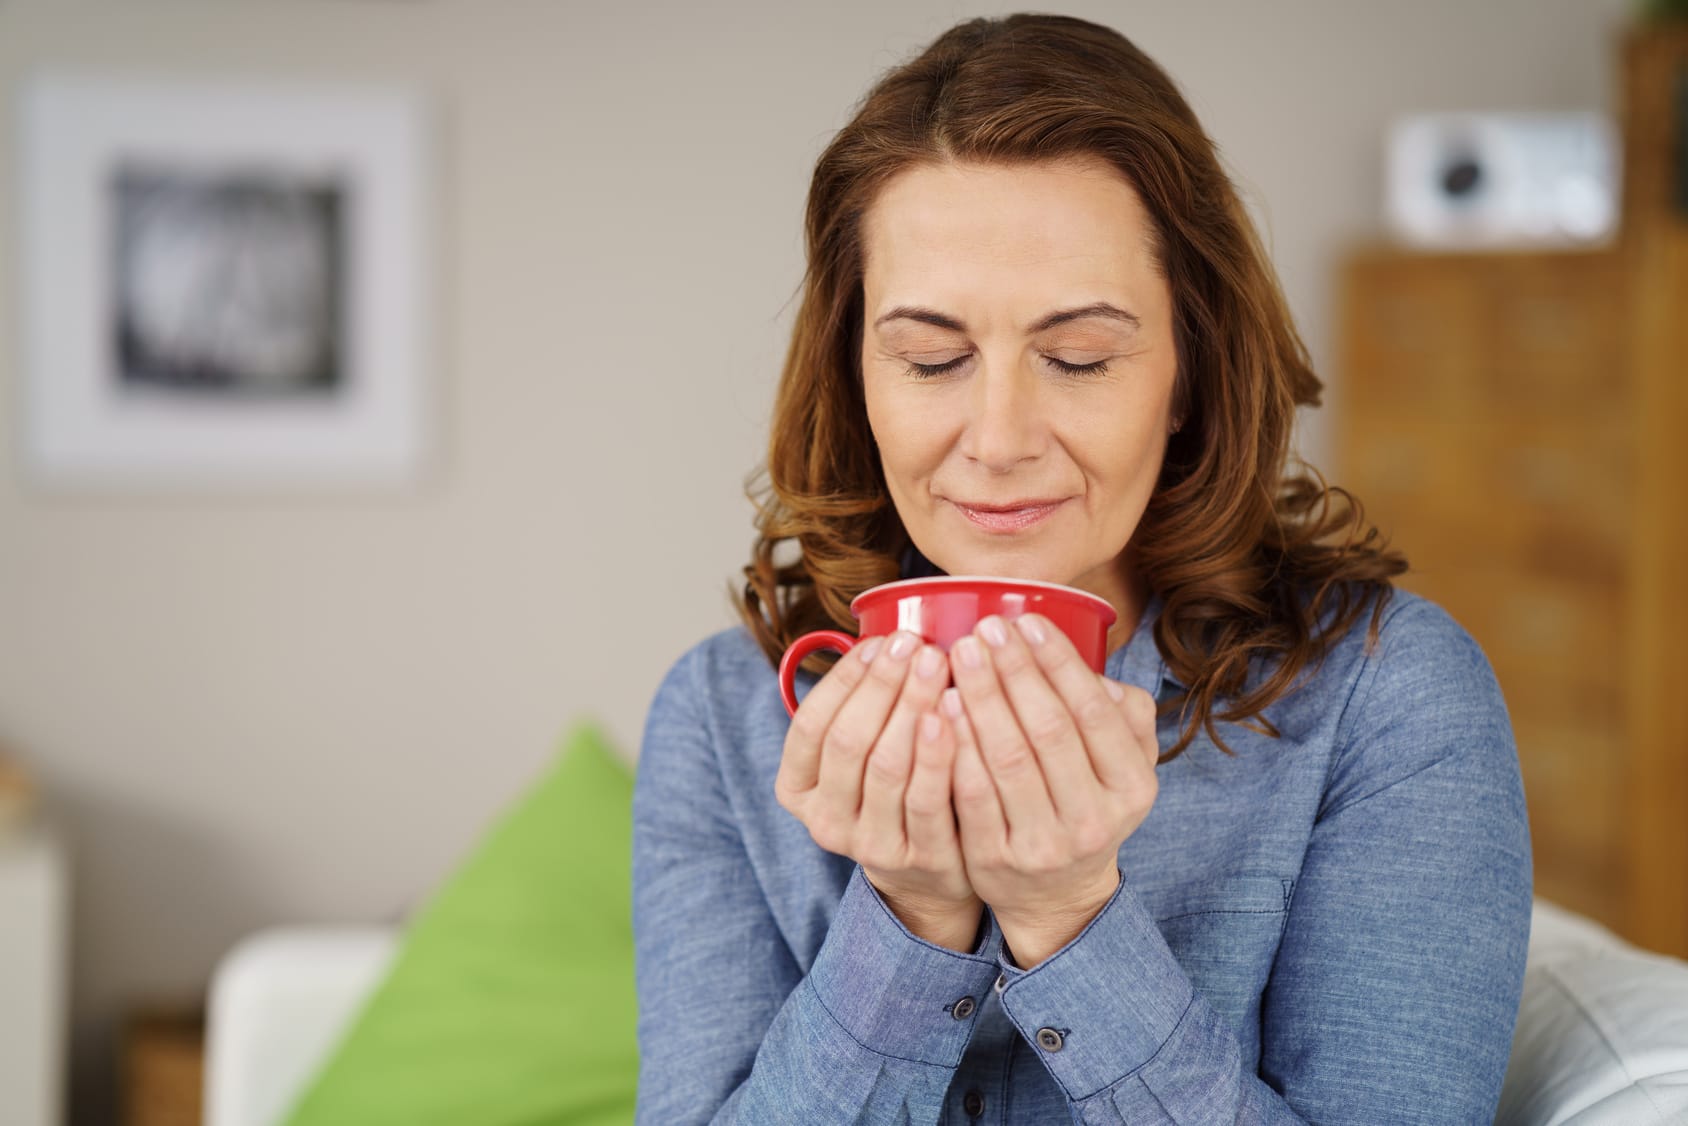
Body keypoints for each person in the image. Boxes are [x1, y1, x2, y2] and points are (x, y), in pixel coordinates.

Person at [632, 13, 1531, 1124]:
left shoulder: (1385, 701)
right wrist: (908, 921)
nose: (999, 436)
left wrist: (1070, 920)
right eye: (930, 358)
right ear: (856, 372)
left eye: (1077, 357)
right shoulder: (723, 720)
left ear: (1188, 371)